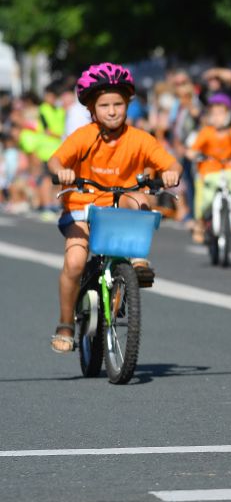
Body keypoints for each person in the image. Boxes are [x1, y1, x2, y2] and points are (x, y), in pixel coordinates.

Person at [47, 63, 181, 353]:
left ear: (128, 105)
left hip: (120, 208)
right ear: (92, 110)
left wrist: (171, 173)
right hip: (81, 206)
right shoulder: (84, 136)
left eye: (118, 104)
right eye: (104, 105)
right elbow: (55, 161)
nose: (111, 111)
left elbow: (170, 162)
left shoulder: (140, 139)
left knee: (141, 197)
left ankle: (135, 261)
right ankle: (66, 324)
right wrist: (63, 172)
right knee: (74, 263)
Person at [186, 93, 231, 243]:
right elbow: (193, 149)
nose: (217, 117)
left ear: (229, 115)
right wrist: (192, 153)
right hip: (209, 170)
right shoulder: (207, 132)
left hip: (229, 170)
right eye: (213, 114)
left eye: (221, 113)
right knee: (204, 199)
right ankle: (200, 224)